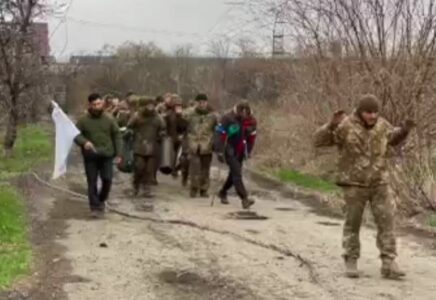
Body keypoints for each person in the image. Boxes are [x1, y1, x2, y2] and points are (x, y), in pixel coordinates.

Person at [314, 94, 415, 279]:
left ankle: (389, 262)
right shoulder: (346, 126)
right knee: (353, 223)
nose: (373, 116)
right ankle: (351, 259)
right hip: (354, 183)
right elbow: (319, 141)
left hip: (379, 181)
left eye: (375, 112)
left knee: (387, 221)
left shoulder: (382, 125)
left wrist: (405, 130)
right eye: (369, 112)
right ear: (360, 112)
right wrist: (330, 125)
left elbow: (392, 138)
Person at [75, 93, 122, 218]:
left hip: (107, 154)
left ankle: (101, 199)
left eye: (99, 104)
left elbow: (117, 135)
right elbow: (75, 135)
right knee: (92, 181)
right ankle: (95, 208)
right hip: (91, 156)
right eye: (94, 104)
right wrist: (84, 142)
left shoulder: (109, 119)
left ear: (102, 103)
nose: (97, 107)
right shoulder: (83, 120)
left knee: (107, 179)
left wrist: (119, 153)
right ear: (90, 105)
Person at [215, 101, 257, 209]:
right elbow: (219, 134)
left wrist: (249, 151)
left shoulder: (251, 121)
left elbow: (252, 138)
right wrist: (219, 150)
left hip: (241, 150)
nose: (243, 114)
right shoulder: (227, 118)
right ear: (237, 110)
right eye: (241, 112)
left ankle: (223, 192)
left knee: (233, 174)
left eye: (245, 112)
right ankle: (244, 198)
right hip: (229, 148)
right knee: (237, 172)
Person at [127, 97, 166, 199]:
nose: (150, 107)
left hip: (152, 146)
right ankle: (135, 186)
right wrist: (131, 132)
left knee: (149, 170)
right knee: (139, 167)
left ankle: (147, 189)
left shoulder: (158, 118)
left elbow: (163, 128)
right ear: (144, 106)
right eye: (148, 105)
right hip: (139, 145)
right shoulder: (137, 116)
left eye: (152, 105)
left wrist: (161, 134)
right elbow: (129, 126)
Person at [184, 93, 217, 198]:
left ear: (207, 103)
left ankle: (204, 189)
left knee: (205, 169)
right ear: (196, 103)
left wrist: (217, 143)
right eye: (199, 102)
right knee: (194, 168)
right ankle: (193, 188)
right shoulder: (189, 115)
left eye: (203, 102)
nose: (202, 104)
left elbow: (217, 130)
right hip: (194, 145)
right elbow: (182, 125)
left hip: (207, 145)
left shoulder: (212, 116)